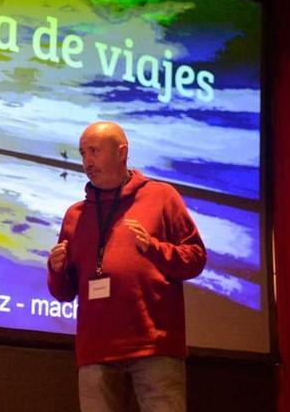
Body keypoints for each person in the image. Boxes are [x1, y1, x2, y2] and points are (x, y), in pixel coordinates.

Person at [47, 121, 207, 412]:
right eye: (83, 153)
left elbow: (195, 258)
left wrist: (155, 249)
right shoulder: (74, 215)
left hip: (154, 346)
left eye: (94, 151)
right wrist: (56, 270)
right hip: (96, 350)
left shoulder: (161, 197)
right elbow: (64, 292)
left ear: (122, 152)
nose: (87, 162)